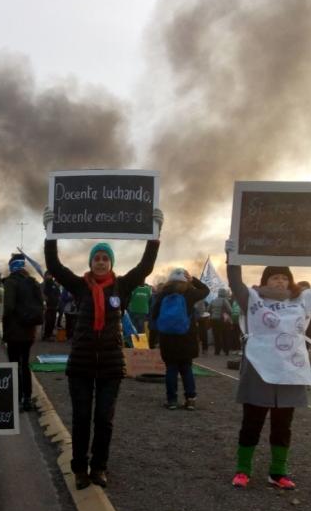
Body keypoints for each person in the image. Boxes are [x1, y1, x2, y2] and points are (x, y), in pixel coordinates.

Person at [44, 206, 163, 489]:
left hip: (110, 364)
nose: (100, 262)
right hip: (82, 364)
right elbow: (55, 267)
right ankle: (80, 469)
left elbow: (145, 267)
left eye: (104, 258)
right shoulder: (79, 286)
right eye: (96, 258)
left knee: (104, 420)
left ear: (110, 263)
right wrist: (50, 233)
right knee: (82, 419)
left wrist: (155, 233)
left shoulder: (121, 287)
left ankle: (99, 467)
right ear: (91, 262)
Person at [225, 239, 311, 490]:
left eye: (284, 278)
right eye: (274, 278)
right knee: (252, 422)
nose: (280, 281)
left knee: (283, 425)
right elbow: (235, 282)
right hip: (258, 369)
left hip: (290, 371)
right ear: (265, 281)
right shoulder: (251, 299)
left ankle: (278, 472)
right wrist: (233, 258)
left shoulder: (302, 301)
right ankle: (242, 470)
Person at [150, 268, 209, 410]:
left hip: (168, 338)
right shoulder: (190, 293)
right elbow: (206, 290)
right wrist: (193, 280)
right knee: (186, 368)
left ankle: (172, 401)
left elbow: (154, 315)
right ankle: (190, 400)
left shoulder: (162, 294)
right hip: (186, 337)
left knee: (171, 369)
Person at [3, 253, 44, 412]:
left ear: (12, 266)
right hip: (29, 331)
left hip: (14, 331)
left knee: (14, 365)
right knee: (25, 364)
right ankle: (27, 398)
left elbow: (8, 308)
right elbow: (41, 304)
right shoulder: (33, 281)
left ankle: (16, 399)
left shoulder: (11, 282)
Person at [209, 288, 233, 355]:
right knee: (225, 335)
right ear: (224, 293)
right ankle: (226, 351)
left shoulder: (213, 300)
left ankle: (217, 351)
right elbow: (230, 310)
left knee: (216, 336)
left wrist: (213, 312)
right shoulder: (224, 300)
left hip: (213, 320)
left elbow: (208, 309)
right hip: (222, 320)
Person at [41, 271, 61, 341]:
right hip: (47, 306)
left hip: (54, 306)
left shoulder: (54, 284)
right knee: (48, 321)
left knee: (52, 321)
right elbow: (42, 294)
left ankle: (50, 333)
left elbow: (58, 293)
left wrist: (58, 301)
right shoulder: (44, 284)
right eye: (48, 275)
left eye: (50, 275)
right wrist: (44, 303)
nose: (49, 276)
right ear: (45, 276)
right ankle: (46, 335)